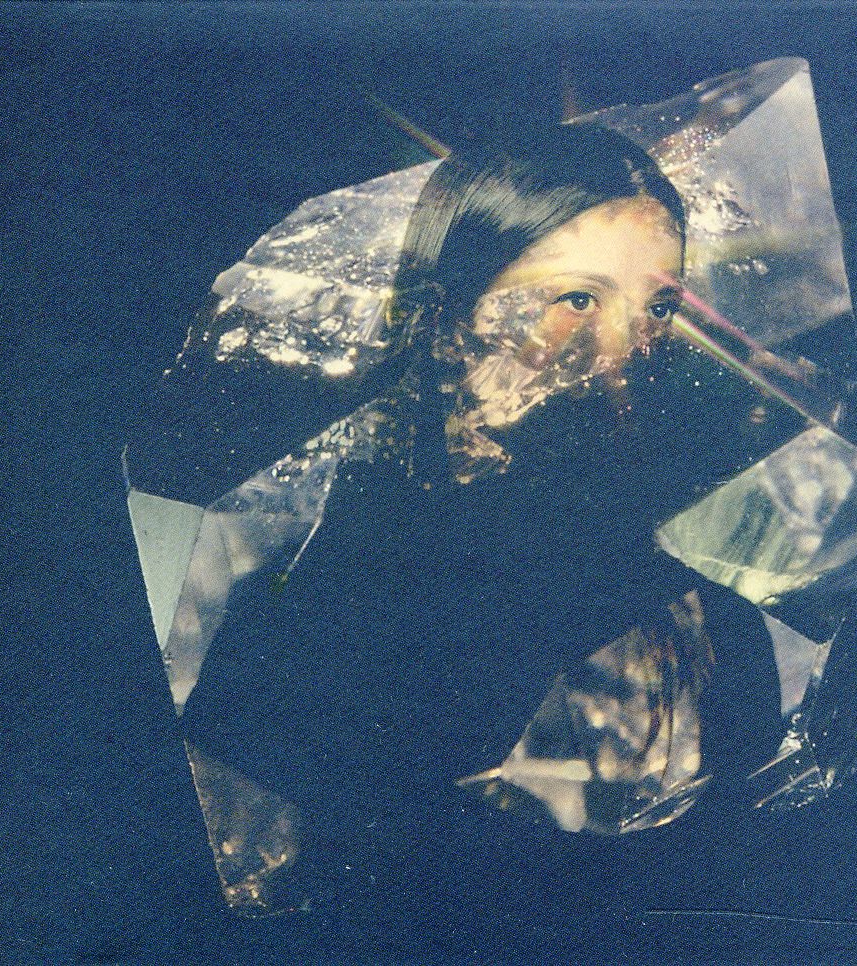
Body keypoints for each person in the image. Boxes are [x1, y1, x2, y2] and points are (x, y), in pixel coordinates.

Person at [172, 122, 787, 914]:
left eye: (659, 307)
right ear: (444, 316)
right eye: (576, 299)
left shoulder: (694, 624)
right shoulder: (289, 591)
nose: (625, 348)